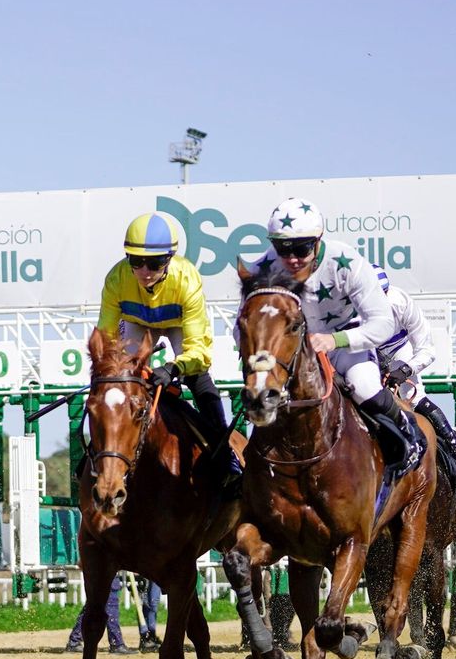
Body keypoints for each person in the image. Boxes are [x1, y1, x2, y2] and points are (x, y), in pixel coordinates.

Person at [252, 198, 421, 473]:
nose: (292, 258)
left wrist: (335, 340)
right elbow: (243, 320)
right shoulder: (265, 267)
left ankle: (407, 432)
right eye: (283, 248)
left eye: (301, 248)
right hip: (296, 353)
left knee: (365, 387)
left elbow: (382, 323)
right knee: (260, 396)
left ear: (318, 240)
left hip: (347, 343)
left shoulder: (348, 262)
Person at [97, 214, 242, 485]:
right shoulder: (116, 279)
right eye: (136, 262)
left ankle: (225, 454)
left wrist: (174, 368)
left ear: (169, 259)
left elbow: (199, 350)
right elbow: (106, 339)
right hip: (138, 323)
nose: (144, 271)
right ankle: (99, 455)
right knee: (115, 381)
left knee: (199, 378)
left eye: (154, 263)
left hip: (176, 325)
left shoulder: (187, 279)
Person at [373, 266, 456, 492]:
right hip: (366, 351)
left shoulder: (402, 303)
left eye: (381, 296)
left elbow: (427, 350)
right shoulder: (349, 305)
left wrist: (405, 370)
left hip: (398, 352)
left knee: (413, 397)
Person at [65, 571, 132, 655]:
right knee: (110, 602)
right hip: (105, 570)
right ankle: (116, 643)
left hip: (99, 569)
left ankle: (74, 640)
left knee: (93, 605)